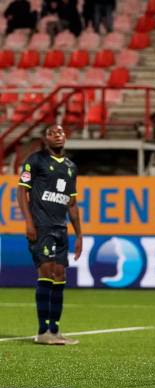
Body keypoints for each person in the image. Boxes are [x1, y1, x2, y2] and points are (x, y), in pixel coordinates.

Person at [17, 125, 83, 346]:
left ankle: (55, 330)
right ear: (45, 138)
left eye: (61, 132)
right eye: (53, 133)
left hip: (61, 229)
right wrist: (29, 222)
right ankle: (42, 331)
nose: (58, 135)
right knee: (46, 273)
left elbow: (72, 204)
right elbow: (21, 191)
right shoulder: (34, 160)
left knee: (60, 276)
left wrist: (80, 235)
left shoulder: (71, 167)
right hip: (41, 226)